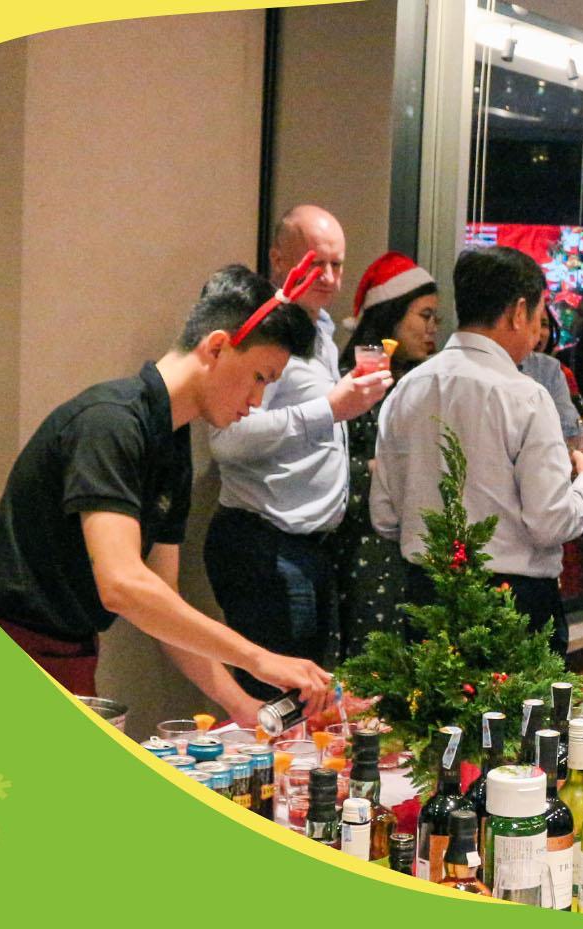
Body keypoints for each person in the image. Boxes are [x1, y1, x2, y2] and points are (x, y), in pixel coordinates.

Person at [0, 265, 334, 724]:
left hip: (74, 654)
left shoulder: (172, 442)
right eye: (260, 377)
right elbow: (122, 585)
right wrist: (257, 658)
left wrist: (243, 706)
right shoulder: (109, 422)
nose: (258, 400)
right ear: (217, 347)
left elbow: (162, 601)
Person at [371, 246, 583, 657]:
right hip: (510, 605)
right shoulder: (525, 396)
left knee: (430, 702)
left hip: (426, 595)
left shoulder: (406, 390)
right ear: (519, 312)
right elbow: (551, 522)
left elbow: (384, 516)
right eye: (538, 315)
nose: (538, 332)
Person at [206, 205, 390, 698]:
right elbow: (224, 440)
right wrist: (328, 409)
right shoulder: (257, 330)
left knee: (306, 700)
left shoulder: (323, 331)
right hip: (264, 543)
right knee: (276, 700)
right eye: (315, 263)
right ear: (278, 259)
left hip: (310, 547)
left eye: (337, 264)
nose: (328, 277)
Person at [330, 252, 439, 660]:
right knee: (371, 662)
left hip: (413, 546)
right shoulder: (353, 377)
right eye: (424, 316)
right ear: (391, 315)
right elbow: (327, 464)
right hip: (363, 548)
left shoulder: (420, 379)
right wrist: (379, 470)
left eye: (436, 318)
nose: (432, 328)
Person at [522, 304, 583, 441]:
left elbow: (571, 432)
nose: (538, 331)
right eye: (531, 321)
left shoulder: (553, 370)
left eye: (544, 324)